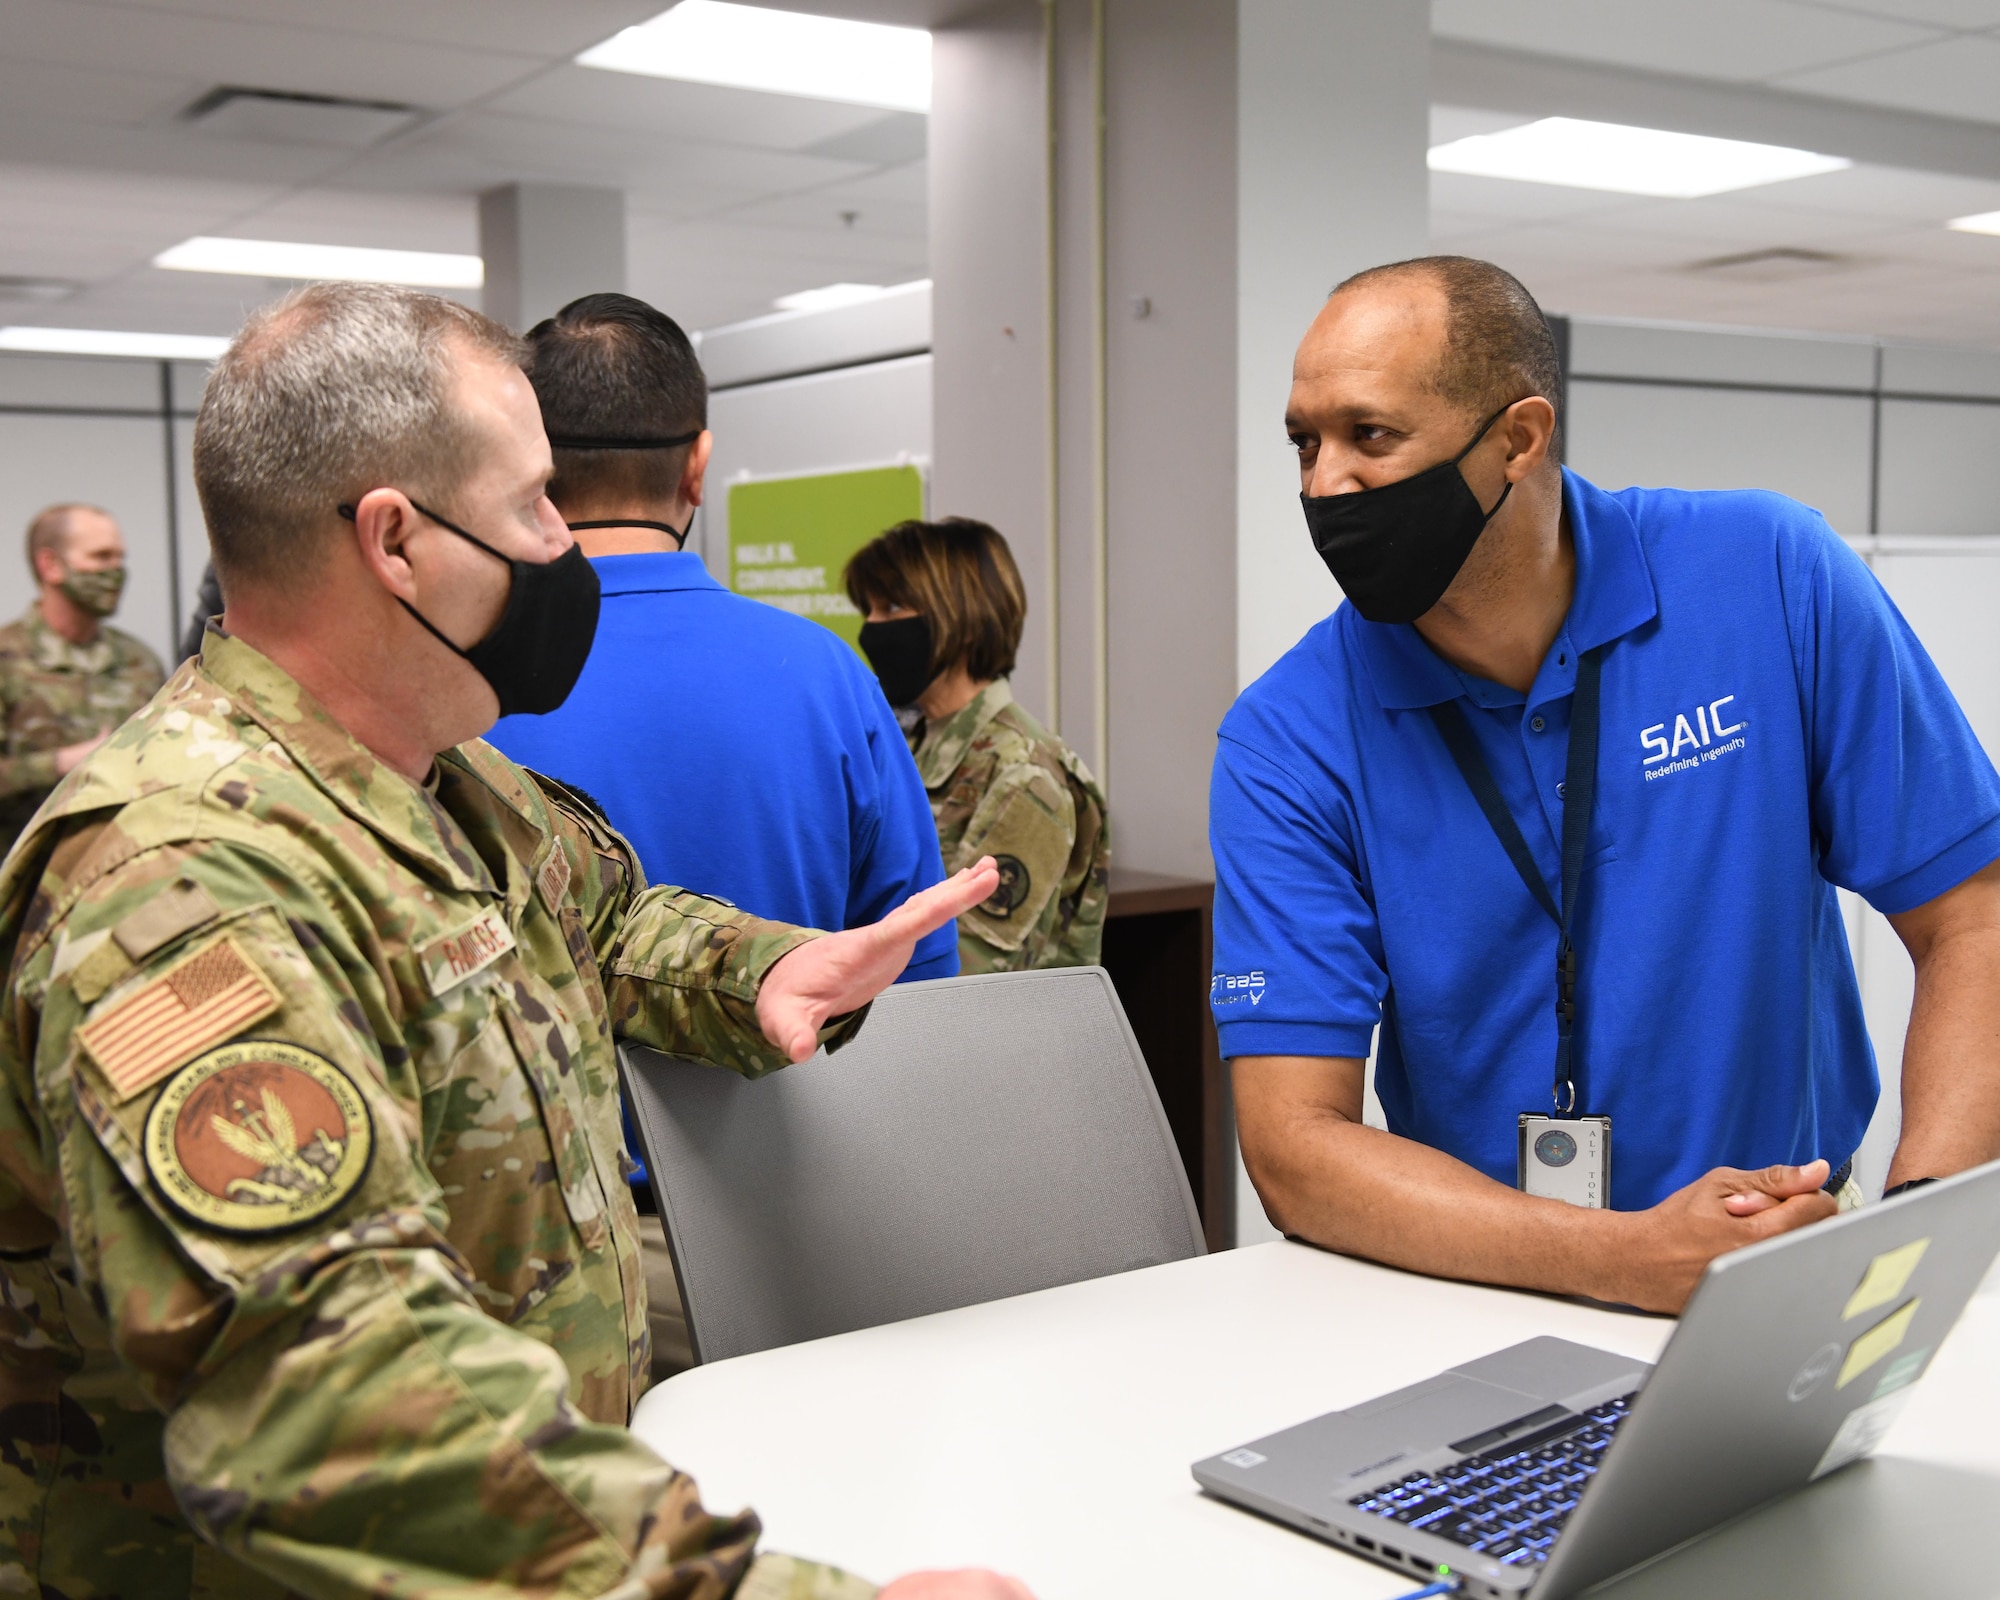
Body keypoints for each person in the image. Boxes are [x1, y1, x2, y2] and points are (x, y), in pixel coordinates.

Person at [0, 281, 1030, 1600]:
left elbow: (600, 914)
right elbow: (335, 1392)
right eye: (533, 503)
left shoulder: (445, 774)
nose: (568, 542)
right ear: (394, 541)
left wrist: (760, 963)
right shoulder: (179, 887)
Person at [1212, 255, 2000, 1315]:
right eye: (1303, 443)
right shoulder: (1286, 738)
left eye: (1369, 436)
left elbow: (1970, 924)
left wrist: (1919, 1239)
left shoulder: (1767, 574)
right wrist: (1620, 1256)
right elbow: (1293, 1147)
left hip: (1785, 1259)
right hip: (1471, 1276)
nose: (1322, 485)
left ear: (1517, 438)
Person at [483, 294, 958, 1374]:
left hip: (551, 1257)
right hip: (797, 1215)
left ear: (534, 467)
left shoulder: (466, 686)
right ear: (698, 467)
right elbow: (918, 971)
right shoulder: (826, 673)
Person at [844, 518, 1108, 973]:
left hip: (978, 1035)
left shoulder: (1024, 774)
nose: (870, 629)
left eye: (890, 608)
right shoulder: (906, 743)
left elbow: (964, 969)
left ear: (960, 620)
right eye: (866, 609)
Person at [0, 503, 164, 852]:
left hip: (120, 870)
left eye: (120, 558)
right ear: (51, 565)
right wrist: (62, 763)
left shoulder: (140, 661)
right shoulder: (7, 659)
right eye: (101, 557)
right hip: (23, 878)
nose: (116, 571)